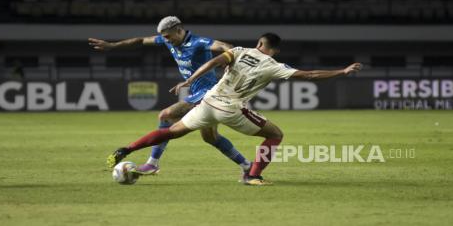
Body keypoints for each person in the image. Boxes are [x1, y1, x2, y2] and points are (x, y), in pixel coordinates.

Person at [107, 33, 363, 185]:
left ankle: (127, 148)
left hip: (207, 102)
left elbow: (215, 62)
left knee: (172, 131)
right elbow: (310, 75)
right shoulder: (273, 65)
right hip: (229, 108)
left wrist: (188, 80)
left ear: (259, 42)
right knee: (274, 134)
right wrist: (342, 71)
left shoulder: (239, 51)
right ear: (274, 48)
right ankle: (252, 176)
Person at [89, 16, 252, 178]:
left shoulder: (198, 42)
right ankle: (247, 166)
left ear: (179, 30)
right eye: (163, 37)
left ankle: (152, 164)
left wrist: (230, 61)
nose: (166, 40)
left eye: (168, 36)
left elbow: (226, 46)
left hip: (209, 92)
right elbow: (140, 41)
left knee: (166, 116)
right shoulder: (167, 40)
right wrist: (112, 45)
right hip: (201, 94)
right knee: (210, 137)